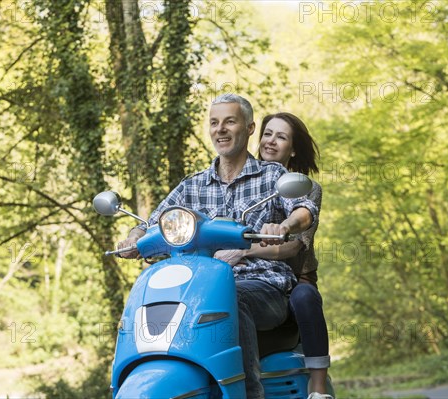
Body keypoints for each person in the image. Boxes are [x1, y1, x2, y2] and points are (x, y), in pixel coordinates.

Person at [117, 94, 319, 398]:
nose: (220, 129)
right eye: (214, 122)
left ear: (249, 128)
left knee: (231, 299)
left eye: (229, 121)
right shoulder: (192, 185)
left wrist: (285, 225)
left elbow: (304, 208)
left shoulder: (272, 176)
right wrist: (134, 237)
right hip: (197, 288)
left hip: (262, 286)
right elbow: (152, 222)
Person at [217, 112, 331, 399]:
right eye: (267, 133)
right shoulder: (241, 181)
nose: (271, 141)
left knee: (305, 298)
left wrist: (240, 250)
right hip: (246, 276)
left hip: (293, 275)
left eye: (281, 137)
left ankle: (318, 387)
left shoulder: (306, 188)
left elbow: (293, 247)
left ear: (292, 148)